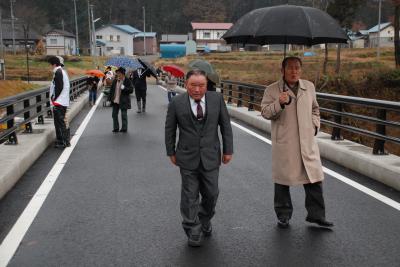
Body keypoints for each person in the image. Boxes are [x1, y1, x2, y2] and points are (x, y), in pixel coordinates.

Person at [260, 57, 333, 229]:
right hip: (286, 142)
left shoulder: (309, 87)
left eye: (297, 68)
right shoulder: (272, 90)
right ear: (282, 70)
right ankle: (283, 215)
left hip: (307, 141)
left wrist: (315, 125)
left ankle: (317, 215)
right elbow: (265, 112)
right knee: (283, 180)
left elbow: (315, 109)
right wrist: (279, 102)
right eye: (290, 68)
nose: (294, 71)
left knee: (314, 179)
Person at [165, 69, 234, 247]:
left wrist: (228, 150)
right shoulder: (176, 102)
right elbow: (170, 129)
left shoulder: (216, 99)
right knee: (189, 195)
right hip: (187, 156)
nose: (197, 89)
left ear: (206, 85)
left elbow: (225, 126)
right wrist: (170, 151)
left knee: (212, 194)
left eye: (201, 85)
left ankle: (204, 219)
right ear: (186, 84)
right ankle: (192, 228)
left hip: (211, 155)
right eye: (193, 85)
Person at [48, 56, 70, 148]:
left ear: (54, 64)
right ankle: (62, 140)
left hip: (59, 102)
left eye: (51, 65)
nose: (50, 67)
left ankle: (63, 141)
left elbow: (59, 87)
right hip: (61, 101)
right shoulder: (62, 72)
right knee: (60, 122)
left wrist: (54, 99)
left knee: (59, 123)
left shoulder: (58, 72)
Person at [109, 67, 134, 133]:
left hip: (123, 100)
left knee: (123, 115)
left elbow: (131, 90)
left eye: (119, 73)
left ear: (123, 74)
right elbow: (111, 90)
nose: (118, 74)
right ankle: (116, 128)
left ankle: (124, 128)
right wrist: (109, 99)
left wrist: (124, 88)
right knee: (114, 114)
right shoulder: (115, 80)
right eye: (117, 73)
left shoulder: (127, 81)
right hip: (115, 100)